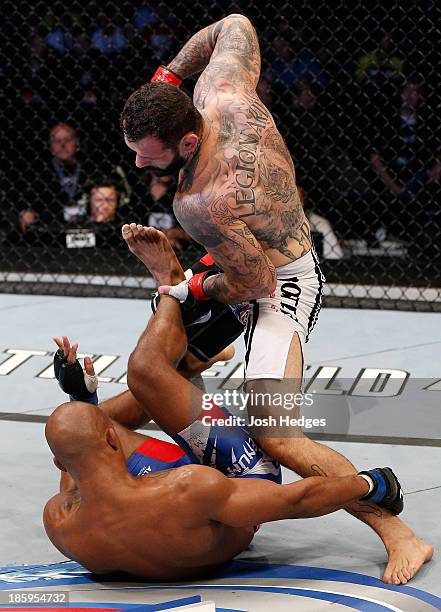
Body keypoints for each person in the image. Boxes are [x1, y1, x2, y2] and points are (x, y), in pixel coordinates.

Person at [119, 14, 432, 583]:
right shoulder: (222, 91)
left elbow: (255, 284)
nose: (140, 164)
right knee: (159, 364)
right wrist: (169, 75)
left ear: (187, 142)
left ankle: (397, 530)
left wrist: (191, 285)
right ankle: (197, 395)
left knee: (276, 433)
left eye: (149, 154)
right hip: (242, 251)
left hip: (280, 279)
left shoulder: (200, 201)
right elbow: (232, 24)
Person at [44, 227, 404, 580]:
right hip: (237, 485)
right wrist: (369, 485)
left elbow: (78, 456)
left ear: (59, 461)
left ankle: (187, 358)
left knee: (88, 427)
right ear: (111, 441)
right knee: (145, 372)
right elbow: (294, 501)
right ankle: (174, 293)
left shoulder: (60, 522)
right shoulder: (189, 489)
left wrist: (83, 398)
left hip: (160, 502)